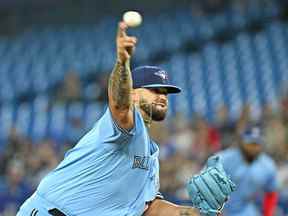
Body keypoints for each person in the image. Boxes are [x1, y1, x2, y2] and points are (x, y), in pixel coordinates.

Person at [16, 21, 202, 216]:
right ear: (133, 95)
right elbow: (120, 107)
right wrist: (122, 63)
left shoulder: (152, 157)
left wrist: (200, 213)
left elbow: (151, 209)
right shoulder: (128, 125)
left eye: (165, 92)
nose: (162, 96)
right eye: (154, 90)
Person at [218, 125, 278, 216]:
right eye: (250, 143)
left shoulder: (268, 166)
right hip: (220, 209)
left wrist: (268, 214)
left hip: (245, 210)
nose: (253, 147)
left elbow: (271, 192)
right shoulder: (224, 159)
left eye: (257, 144)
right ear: (242, 142)